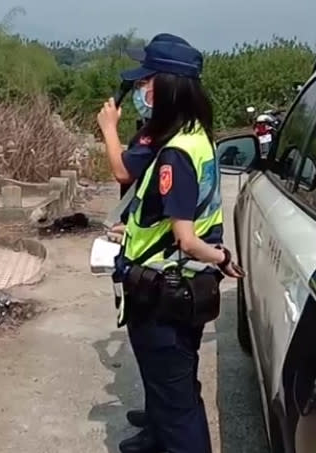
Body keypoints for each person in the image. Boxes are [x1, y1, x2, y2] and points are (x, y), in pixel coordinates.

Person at [97, 34, 244, 453]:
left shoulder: (176, 152)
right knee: (171, 382)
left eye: (148, 82)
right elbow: (174, 211)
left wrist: (224, 258)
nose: (142, 90)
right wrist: (135, 230)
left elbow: (187, 238)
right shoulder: (196, 136)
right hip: (175, 284)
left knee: (179, 405)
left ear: (169, 87)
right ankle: (157, 437)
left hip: (166, 291)